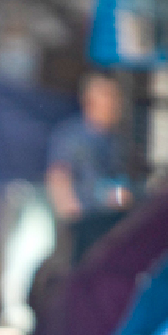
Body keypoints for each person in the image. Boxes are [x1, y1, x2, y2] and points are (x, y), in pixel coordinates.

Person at [44, 73, 136, 227]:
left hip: (116, 223)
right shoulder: (71, 137)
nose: (115, 103)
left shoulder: (120, 140)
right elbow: (58, 179)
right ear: (90, 100)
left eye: (117, 96)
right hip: (86, 224)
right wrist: (73, 220)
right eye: (108, 96)